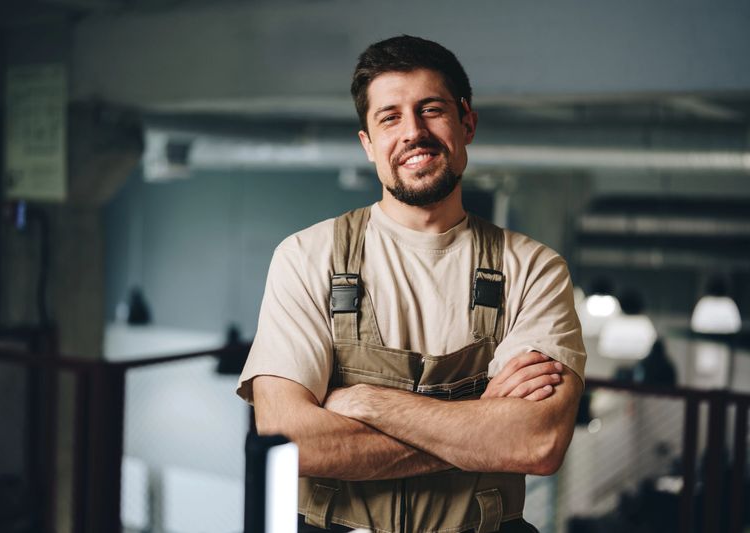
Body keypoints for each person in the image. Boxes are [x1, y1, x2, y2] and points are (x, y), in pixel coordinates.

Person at [237, 35, 586, 533]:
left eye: (431, 110)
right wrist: (480, 425)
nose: (413, 132)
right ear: (368, 144)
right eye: (390, 117)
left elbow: (537, 442)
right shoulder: (305, 257)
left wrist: (367, 402)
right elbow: (289, 436)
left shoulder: (533, 268)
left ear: (466, 122)